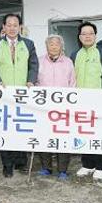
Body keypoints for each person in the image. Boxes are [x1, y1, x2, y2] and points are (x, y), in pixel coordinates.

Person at [0, 13, 38, 177]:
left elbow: (33, 65)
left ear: (20, 27)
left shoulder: (28, 44)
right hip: (4, 95)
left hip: (22, 95)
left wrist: (31, 80)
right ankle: (7, 165)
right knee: (5, 129)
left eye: (15, 25)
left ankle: (21, 162)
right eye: (9, 24)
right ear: (4, 27)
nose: (12, 28)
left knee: (21, 127)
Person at [71, 22, 102, 181]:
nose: (87, 36)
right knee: (83, 132)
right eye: (84, 34)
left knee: (99, 133)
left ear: (95, 36)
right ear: (79, 37)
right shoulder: (75, 55)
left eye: (90, 33)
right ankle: (87, 164)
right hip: (80, 102)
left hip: (99, 102)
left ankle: (101, 166)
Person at [36, 34, 76, 180]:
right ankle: (46, 167)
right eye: (51, 44)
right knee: (44, 136)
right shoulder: (39, 61)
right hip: (43, 107)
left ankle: (63, 170)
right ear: (46, 46)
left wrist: (69, 102)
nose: (53, 46)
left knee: (63, 137)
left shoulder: (68, 62)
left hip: (63, 107)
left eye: (57, 44)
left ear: (61, 47)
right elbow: (34, 81)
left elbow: (73, 83)